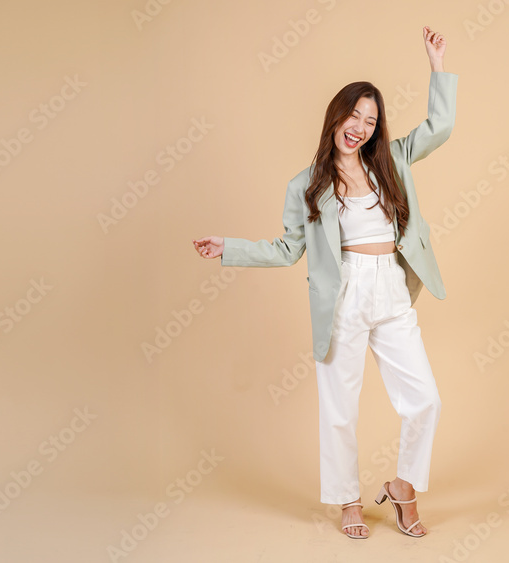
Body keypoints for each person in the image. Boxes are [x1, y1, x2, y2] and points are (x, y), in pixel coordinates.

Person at [192, 26, 456, 539]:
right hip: (343, 296)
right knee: (339, 408)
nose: (359, 126)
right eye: (353, 115)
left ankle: (403, 487)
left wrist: (437, 63)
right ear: (336, 117)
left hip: (393, 292)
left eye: (370, 120)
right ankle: (348, 502)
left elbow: (440, 126)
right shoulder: (305, 186)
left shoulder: (393, 161)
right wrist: (231, 248)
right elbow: (289, 248)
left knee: (425, 398)